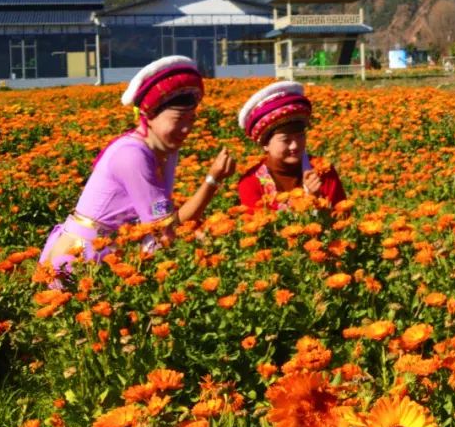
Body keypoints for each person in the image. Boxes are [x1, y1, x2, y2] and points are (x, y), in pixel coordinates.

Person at [39, 56, 235, 273]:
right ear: (149, 115)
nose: (187, 129)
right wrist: (212, 180)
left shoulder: (164, 149)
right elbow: (164, 227)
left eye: (191, 120)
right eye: (178, 119)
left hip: (109, 253)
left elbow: (165, 222)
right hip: (82, 260)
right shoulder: (133, 155)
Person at [236, 80, 346, 214]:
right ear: (265, 144)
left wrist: (317, 199)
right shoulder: (250, 182)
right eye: (285, 140)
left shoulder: (323, 171)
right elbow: (258, 229)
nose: (294, 145)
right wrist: (308, 201)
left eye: (300, 136)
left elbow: (342, 218)